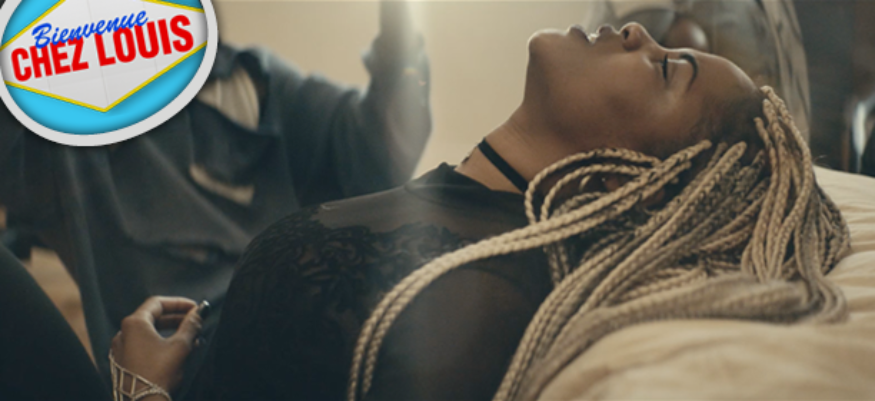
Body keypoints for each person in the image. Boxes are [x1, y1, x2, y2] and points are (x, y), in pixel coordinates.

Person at [111, 22, 847, 401]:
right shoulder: (463, 214)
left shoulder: (466, 301)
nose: (634, 32)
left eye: (665, 68)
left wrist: (139, 390)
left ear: (650, 183)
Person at [0, 0, 431, 380]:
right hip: (185, 365)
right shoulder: (61, 133)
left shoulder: (255, 81)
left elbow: (378, 157)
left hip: (308, 330)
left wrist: (400, 29)